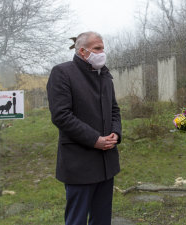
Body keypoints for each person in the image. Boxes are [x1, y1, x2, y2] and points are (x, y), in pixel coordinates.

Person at [47, 31, 122, 225]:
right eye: (97, 48)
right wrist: (95, 139)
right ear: (82, 51)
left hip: (106, 162)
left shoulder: (104, 75)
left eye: (103, 48)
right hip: (79, 163)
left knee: (102, 219)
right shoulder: (63, 73)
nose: (102, 52)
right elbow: (61, 116)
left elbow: (114, 109)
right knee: (77, 219)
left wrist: (116, 133)